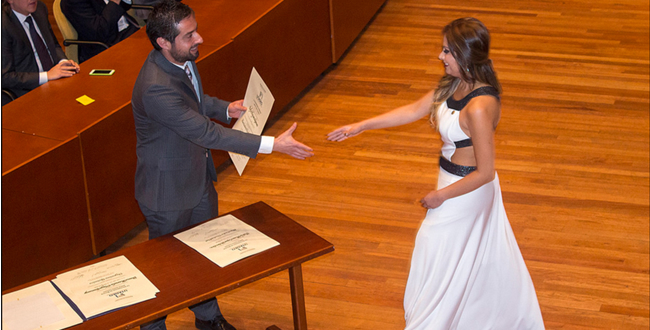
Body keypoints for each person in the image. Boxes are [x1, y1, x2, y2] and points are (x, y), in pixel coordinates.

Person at [328, 17, 544, 329]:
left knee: (435, 250)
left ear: (465, 56)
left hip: (466, 191)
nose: (440, 57)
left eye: (447, 52)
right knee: (460, 258)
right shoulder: (454, 84)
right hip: (451, 183)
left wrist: (440, 196)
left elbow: (485, 172)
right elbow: (413, 110)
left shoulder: (479, 107)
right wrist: (360, 126)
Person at [131, 1, 314, 329]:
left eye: (195, 30)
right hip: (167, 193)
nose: (199, 38)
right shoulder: (155, 86)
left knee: (204, 254)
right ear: (163, 42)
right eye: (189, 36)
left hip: (197, 178)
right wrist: (273, 145)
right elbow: (203, 132)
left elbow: (193, 101)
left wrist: (223, 108)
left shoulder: (181, 57)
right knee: (164, 270)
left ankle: (208, 319)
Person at [1, 0, 80, 105]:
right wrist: (47, 76)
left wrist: (63, 63)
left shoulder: (40, 8)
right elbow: (5, 76)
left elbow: (54, 45)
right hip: (27, 92)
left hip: (55, 82)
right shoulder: (4, 25)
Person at [61, 0, 140, 63]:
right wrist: (115, 1)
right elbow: (99, 32)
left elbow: (124, 6)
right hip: (108, 46)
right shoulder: (72, 2)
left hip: (129, 32)